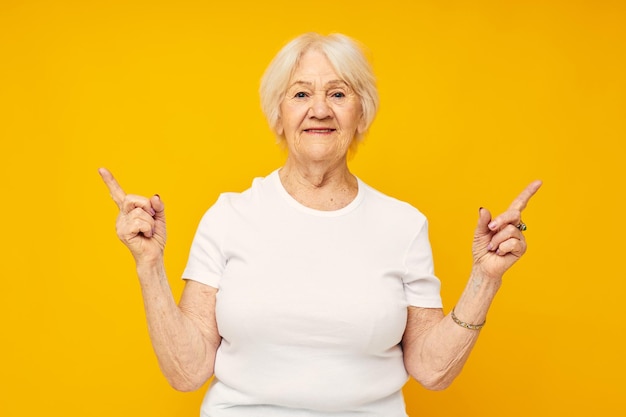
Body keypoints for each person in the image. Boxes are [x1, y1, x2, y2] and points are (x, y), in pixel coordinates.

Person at [99, 32, 542, 417]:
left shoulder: (403, 225)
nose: (319, 110)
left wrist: (484, 280)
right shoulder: (230, 216)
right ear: (279, 115)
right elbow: (187, 371)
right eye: (300, 94)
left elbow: (431, 370)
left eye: (337, 93)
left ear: (360, 114)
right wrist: (149, 266)